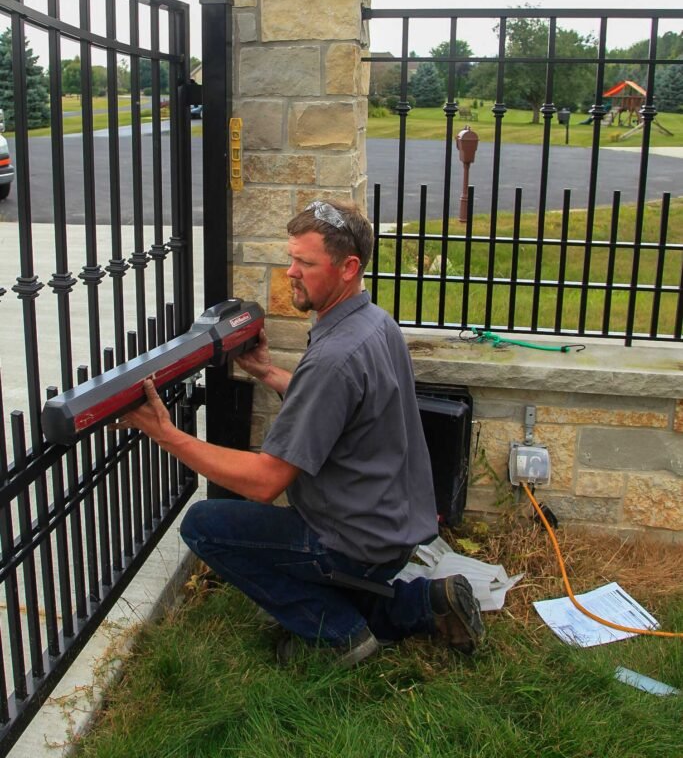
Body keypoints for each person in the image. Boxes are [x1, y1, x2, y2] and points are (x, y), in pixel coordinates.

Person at [119, 200, 483, 667]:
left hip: (355, 542)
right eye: (291, 257)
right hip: (393, 530)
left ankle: (340, 633)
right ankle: (420, 605)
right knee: (252, 531)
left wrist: (168, 434)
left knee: (205, 526)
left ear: (348, 267)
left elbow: (266, 481)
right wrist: (270, 373)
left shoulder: (335, 356)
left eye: (305, 263)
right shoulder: (375, 324)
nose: (290, 272)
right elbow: (339, 407)